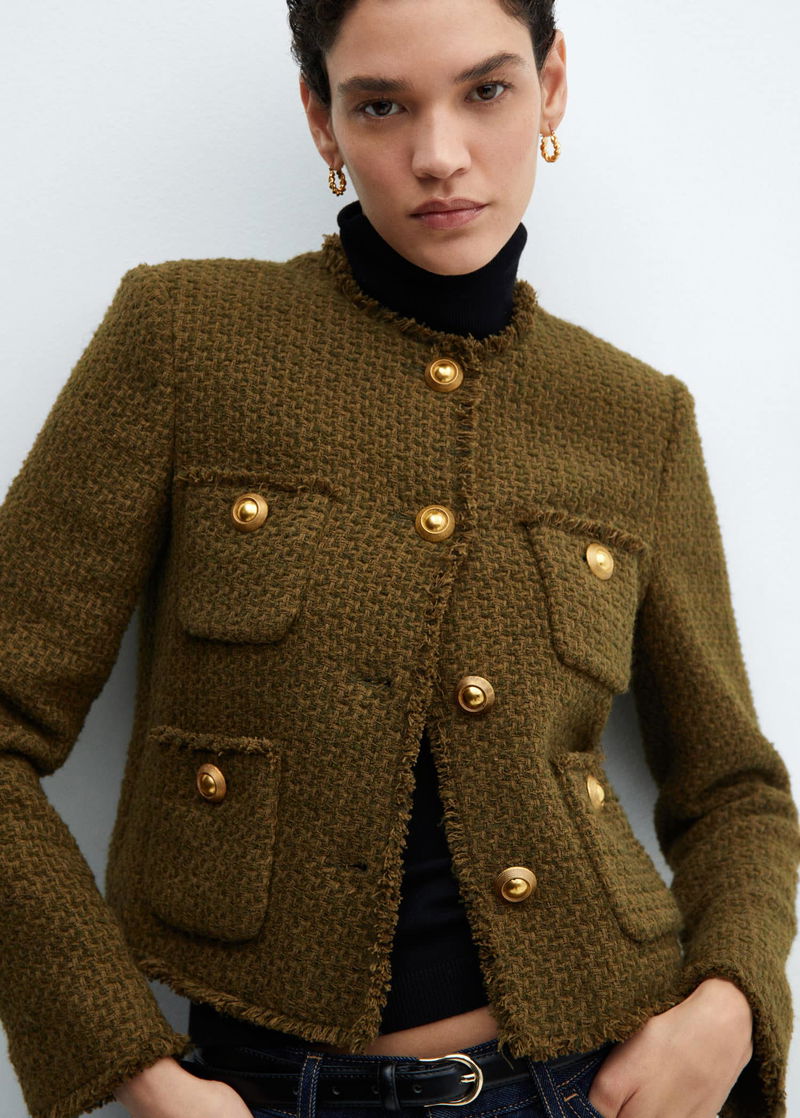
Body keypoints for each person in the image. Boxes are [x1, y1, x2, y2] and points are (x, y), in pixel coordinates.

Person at [0, 2, 797, 1118]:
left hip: (591, 1079)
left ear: (550, 86)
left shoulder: (634, 417)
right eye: (381, 106)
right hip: (262, 1089)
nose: (439, 155)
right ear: (320, 116)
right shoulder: (185, 338)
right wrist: (135, 1067)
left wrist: (730, 1003)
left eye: (486, 90)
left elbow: (734, 789)